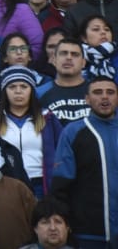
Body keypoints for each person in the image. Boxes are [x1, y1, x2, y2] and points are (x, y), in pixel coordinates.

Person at [50, 75, 118, 247]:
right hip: (88, 233)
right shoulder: (73, 132)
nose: (104, 97)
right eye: (97, 92)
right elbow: (60, 186)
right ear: (87, 99)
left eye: (110, 92)